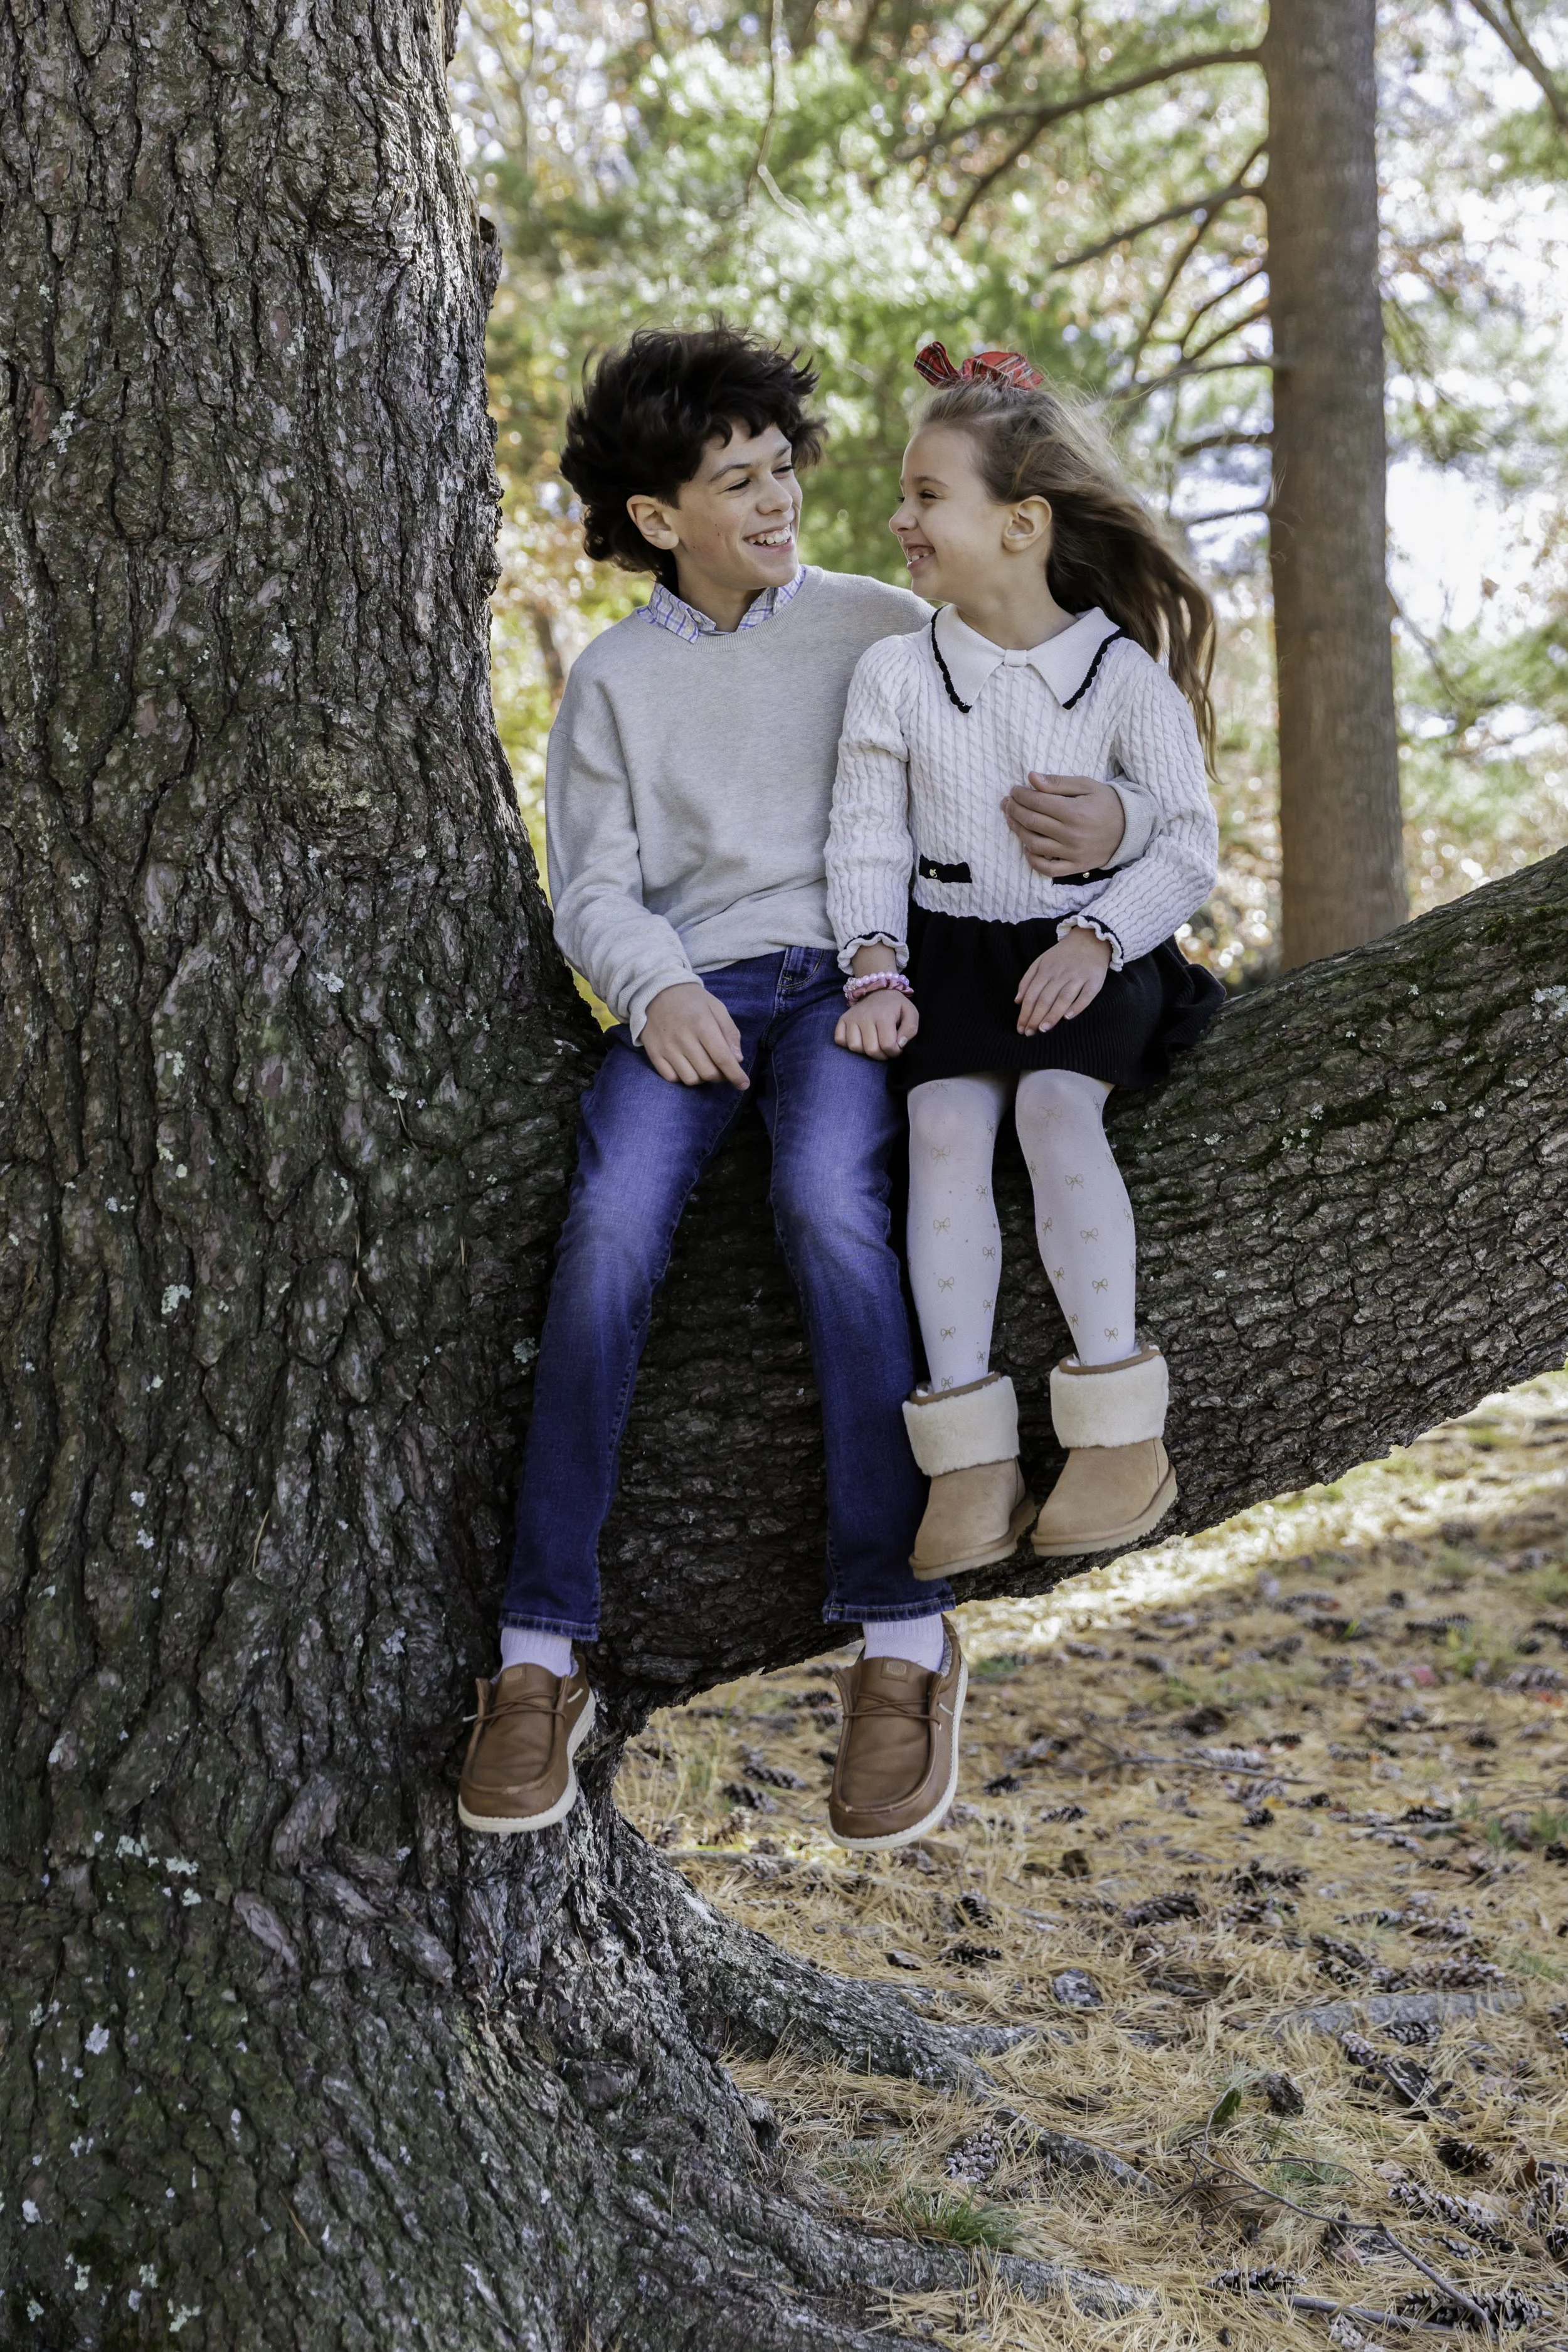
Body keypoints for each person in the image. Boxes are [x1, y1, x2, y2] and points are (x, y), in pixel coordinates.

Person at [457, 327, 1149, 1850]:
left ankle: (900, 1638)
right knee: (606, 1235)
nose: (777, 500)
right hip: (691, 1003)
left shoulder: (878, 627)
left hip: (856, 985)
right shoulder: (616, 685)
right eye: (737, 480)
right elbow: (593, 890)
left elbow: (1032, 716)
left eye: (783, 468)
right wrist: (656, 987)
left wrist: (1104, 838)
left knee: (831, 1205)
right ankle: (535, 1657)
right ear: (657, 518)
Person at [827, 341, 1224, 1582]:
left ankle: (1115, 1428)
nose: (899, 519)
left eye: (925, 496)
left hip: (1092, 950)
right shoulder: (895, 673)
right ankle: (966, 1453)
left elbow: (1189, 847)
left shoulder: (1119, 677)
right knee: (942, 1128)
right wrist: (876, 965)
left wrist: (1097, 936)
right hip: (944, 957)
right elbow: (864, 839)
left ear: (1020, 523)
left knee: (1056, 1112)